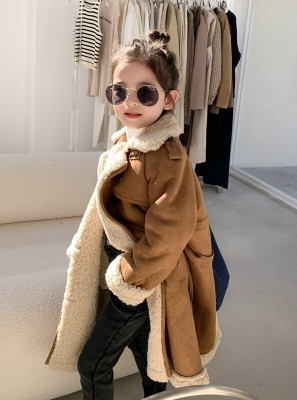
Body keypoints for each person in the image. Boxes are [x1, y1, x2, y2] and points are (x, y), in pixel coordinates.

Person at [45, 31, 221, 399]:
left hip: (142, 278)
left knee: (92, 363)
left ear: (169, 99)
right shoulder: (128, 142)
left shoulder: (168, 160)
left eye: (146, 93)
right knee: (147, 355)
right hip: (132, 270)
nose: (130, 101)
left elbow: (167, 237)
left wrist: (126, 278)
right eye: (119, 91)